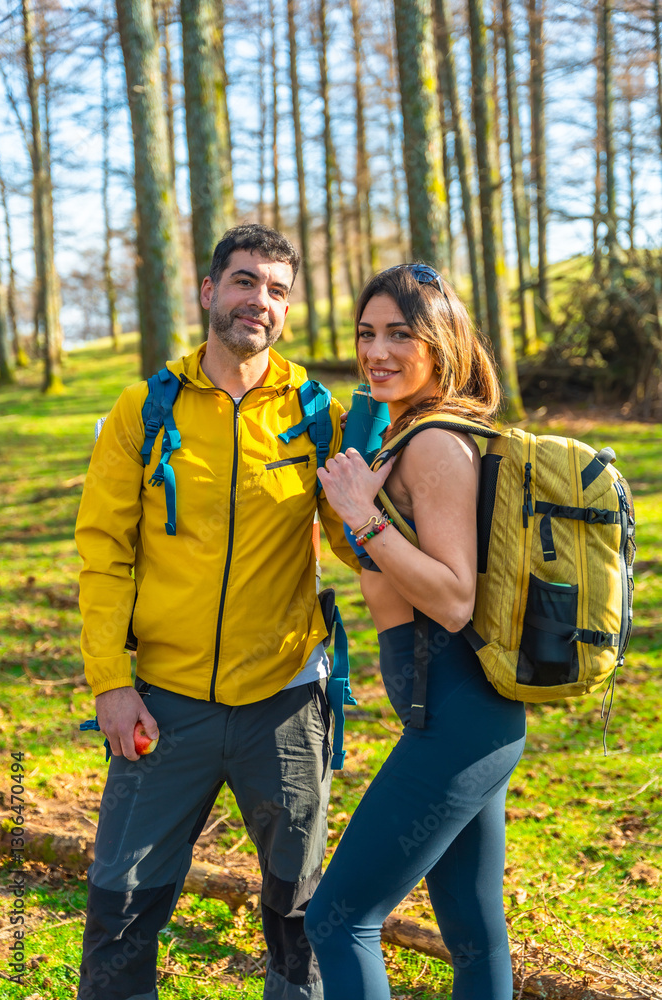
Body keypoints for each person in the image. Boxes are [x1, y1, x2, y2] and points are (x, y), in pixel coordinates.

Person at [74, 224, 360, 1000]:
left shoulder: (313, 411)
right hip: (162, 703)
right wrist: (110, 682)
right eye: (243, 282)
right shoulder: (145, 409)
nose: (257, 302)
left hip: (285, 700)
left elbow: (353, 539)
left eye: (275, 291)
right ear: (209, 292)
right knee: (121, 906)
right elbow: (105, 556)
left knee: (296, 912)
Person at [304, 264, 527, 999]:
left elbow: (454, 598)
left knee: (339, 921)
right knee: (470, 930)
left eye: (400, 333)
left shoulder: (433, 442)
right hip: (458, 716)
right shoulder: (406, 433)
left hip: (457, 720)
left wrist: (361, 512)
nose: (377, 351)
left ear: (442, 340)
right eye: (367, 334)